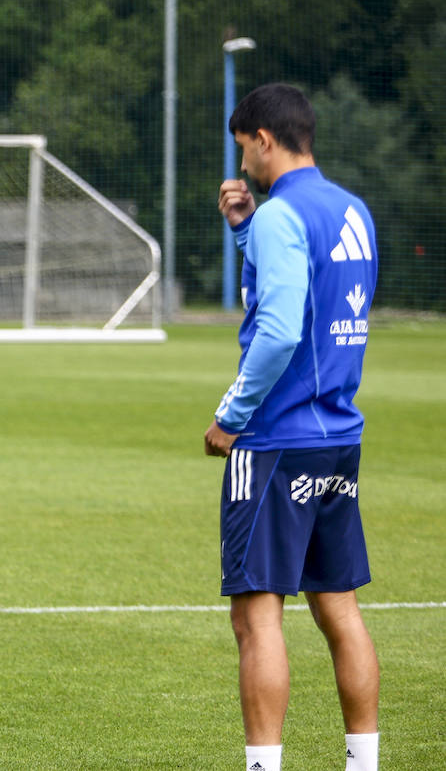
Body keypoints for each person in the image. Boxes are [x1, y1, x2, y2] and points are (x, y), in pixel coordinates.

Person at [204, 83, 380, 771]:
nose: (242, 163)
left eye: (243, 147)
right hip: (339, 434)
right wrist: (246, 232)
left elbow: (277, 330)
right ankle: (363, 764)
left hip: (278, 440)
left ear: (264, 139)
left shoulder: (283, 215)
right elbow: (328, 309)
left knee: (257, 616)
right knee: (339, 607)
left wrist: (230, 416)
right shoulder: (352, 209)